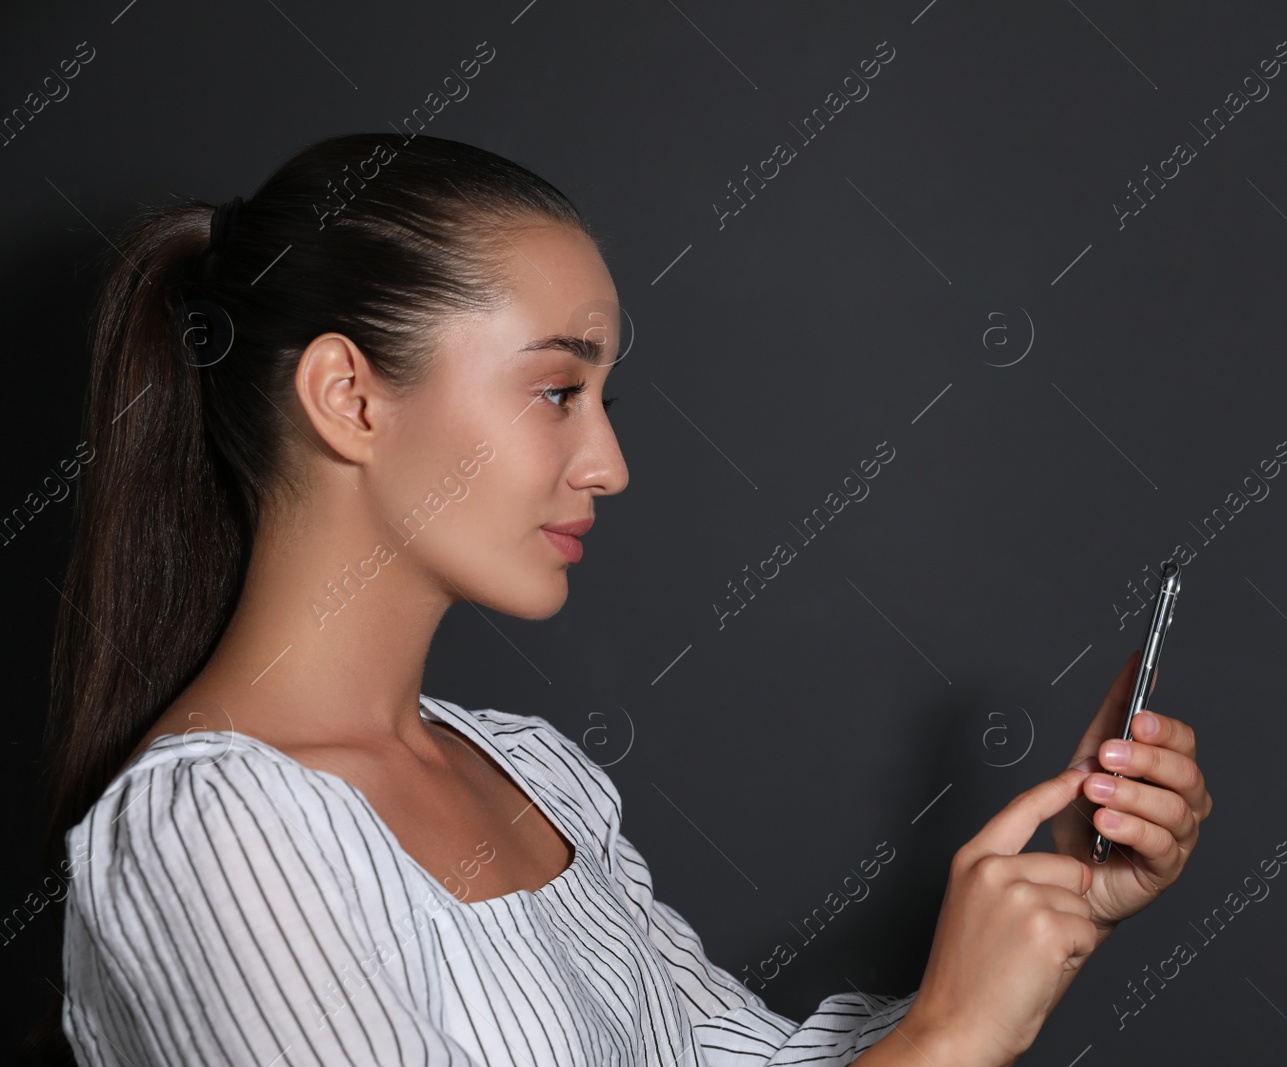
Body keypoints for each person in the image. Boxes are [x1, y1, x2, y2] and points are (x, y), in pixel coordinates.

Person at [28, 132, 1212, 1066]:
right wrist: (949, 1038)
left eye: (605, 397)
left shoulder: (532, 774)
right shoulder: (210, 836)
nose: (609, 462)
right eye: (555, 390)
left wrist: (1049, 904)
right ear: (349, 396)